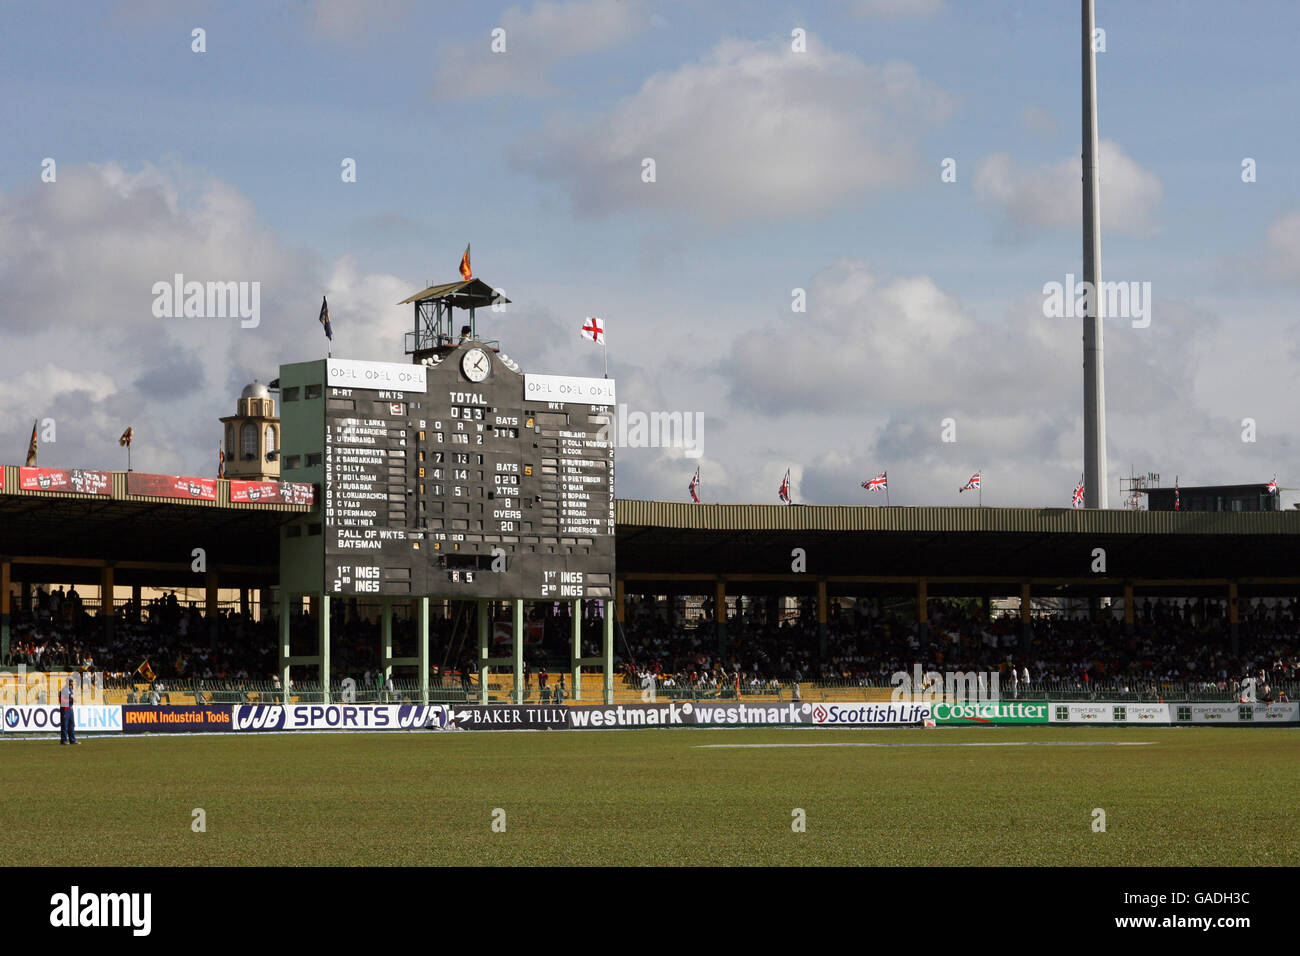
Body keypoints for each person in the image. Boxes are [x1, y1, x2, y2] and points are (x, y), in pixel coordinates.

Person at [58, 677, 78, 745]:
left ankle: (72, 740)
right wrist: (71, 700)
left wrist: (71, 700)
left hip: (70, 708)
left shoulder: (70, 689)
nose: (72, 683)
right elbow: (62, 700)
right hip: (65, 708)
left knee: (71, 725)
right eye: (71, 682)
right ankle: (63, 740)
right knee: (65, 725)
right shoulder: (64, 689)